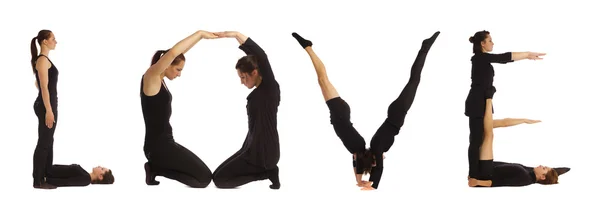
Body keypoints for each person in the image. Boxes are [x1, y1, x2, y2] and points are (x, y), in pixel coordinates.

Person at [292, 31, 440, 190]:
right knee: (414, 81)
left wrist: (370, 184)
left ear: (371, 159)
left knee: (322, 79)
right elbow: (362, 166)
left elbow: (367, 167)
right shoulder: (363, 148)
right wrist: (366, 181)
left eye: (376, 162)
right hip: (353, 113)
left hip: (346, 113)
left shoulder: (368, 148)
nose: (381, 160)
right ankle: (425, 48)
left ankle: (308, 47)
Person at [465, 30, 546, 180]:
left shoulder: (483, 59)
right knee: (476, 139)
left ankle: (477, 171)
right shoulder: (479, 58)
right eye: (490, 41)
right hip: (477, 102)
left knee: (481, 136)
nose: (492, 43)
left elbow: (503, 59)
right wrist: (527, 54)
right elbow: (503, 57)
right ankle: (473, 174)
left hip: (483, 100)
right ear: (482, 43)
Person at [141, 30, 217, 188]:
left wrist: (197, 42)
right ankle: (156, 168)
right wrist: (200, 34)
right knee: (203, 180)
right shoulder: (151, 77)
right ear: (167, 65)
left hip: (167, 143)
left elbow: (177, 54)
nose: (179, 74)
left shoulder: (160, 80)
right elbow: (174, 52)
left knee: (205, 177)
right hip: (158, 147)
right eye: (178, 69)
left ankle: (156, 167)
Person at [210, 31, 281, 189]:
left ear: (254, 72)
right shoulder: (260, 90)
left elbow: (261, 56)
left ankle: (268, 173)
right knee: (217, 175)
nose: (242, 82)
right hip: (250, 147)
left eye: (243, 77)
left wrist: (235, 34)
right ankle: (267, 171)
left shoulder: (270, 88)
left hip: (263, 153)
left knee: (220, 180)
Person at [467, 99, 570, 187]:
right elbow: (557, 171)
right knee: (490, 126)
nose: (541, 165)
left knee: (489, 134)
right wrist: (561, 171)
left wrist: (477, 182)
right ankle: (487, 100)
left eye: (543, 168)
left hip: (485, 173)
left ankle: (488, 98)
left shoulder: (525, 179)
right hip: (484, 167)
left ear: (542, 177)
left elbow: (500, 182)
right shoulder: (530, 172)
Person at [30, 29, 60, 189]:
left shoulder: (44, 60)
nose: (56, 41)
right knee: (44, 142)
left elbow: (40, 84)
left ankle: (46, 175)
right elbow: (43, 87)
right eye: (53, 39)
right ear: (44, 41)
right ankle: (38, 180)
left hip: (48, 104)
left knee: (49, 141)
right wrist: (48, 110)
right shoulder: (42, 60)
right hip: (46, 106)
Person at [45, 164, 114, 187]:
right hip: (47, 168)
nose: (99, 166)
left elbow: (65, 182)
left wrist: (45, 180)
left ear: (100, 176)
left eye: (102, 169)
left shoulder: (86, 180)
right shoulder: (86, 175)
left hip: (45, 173)